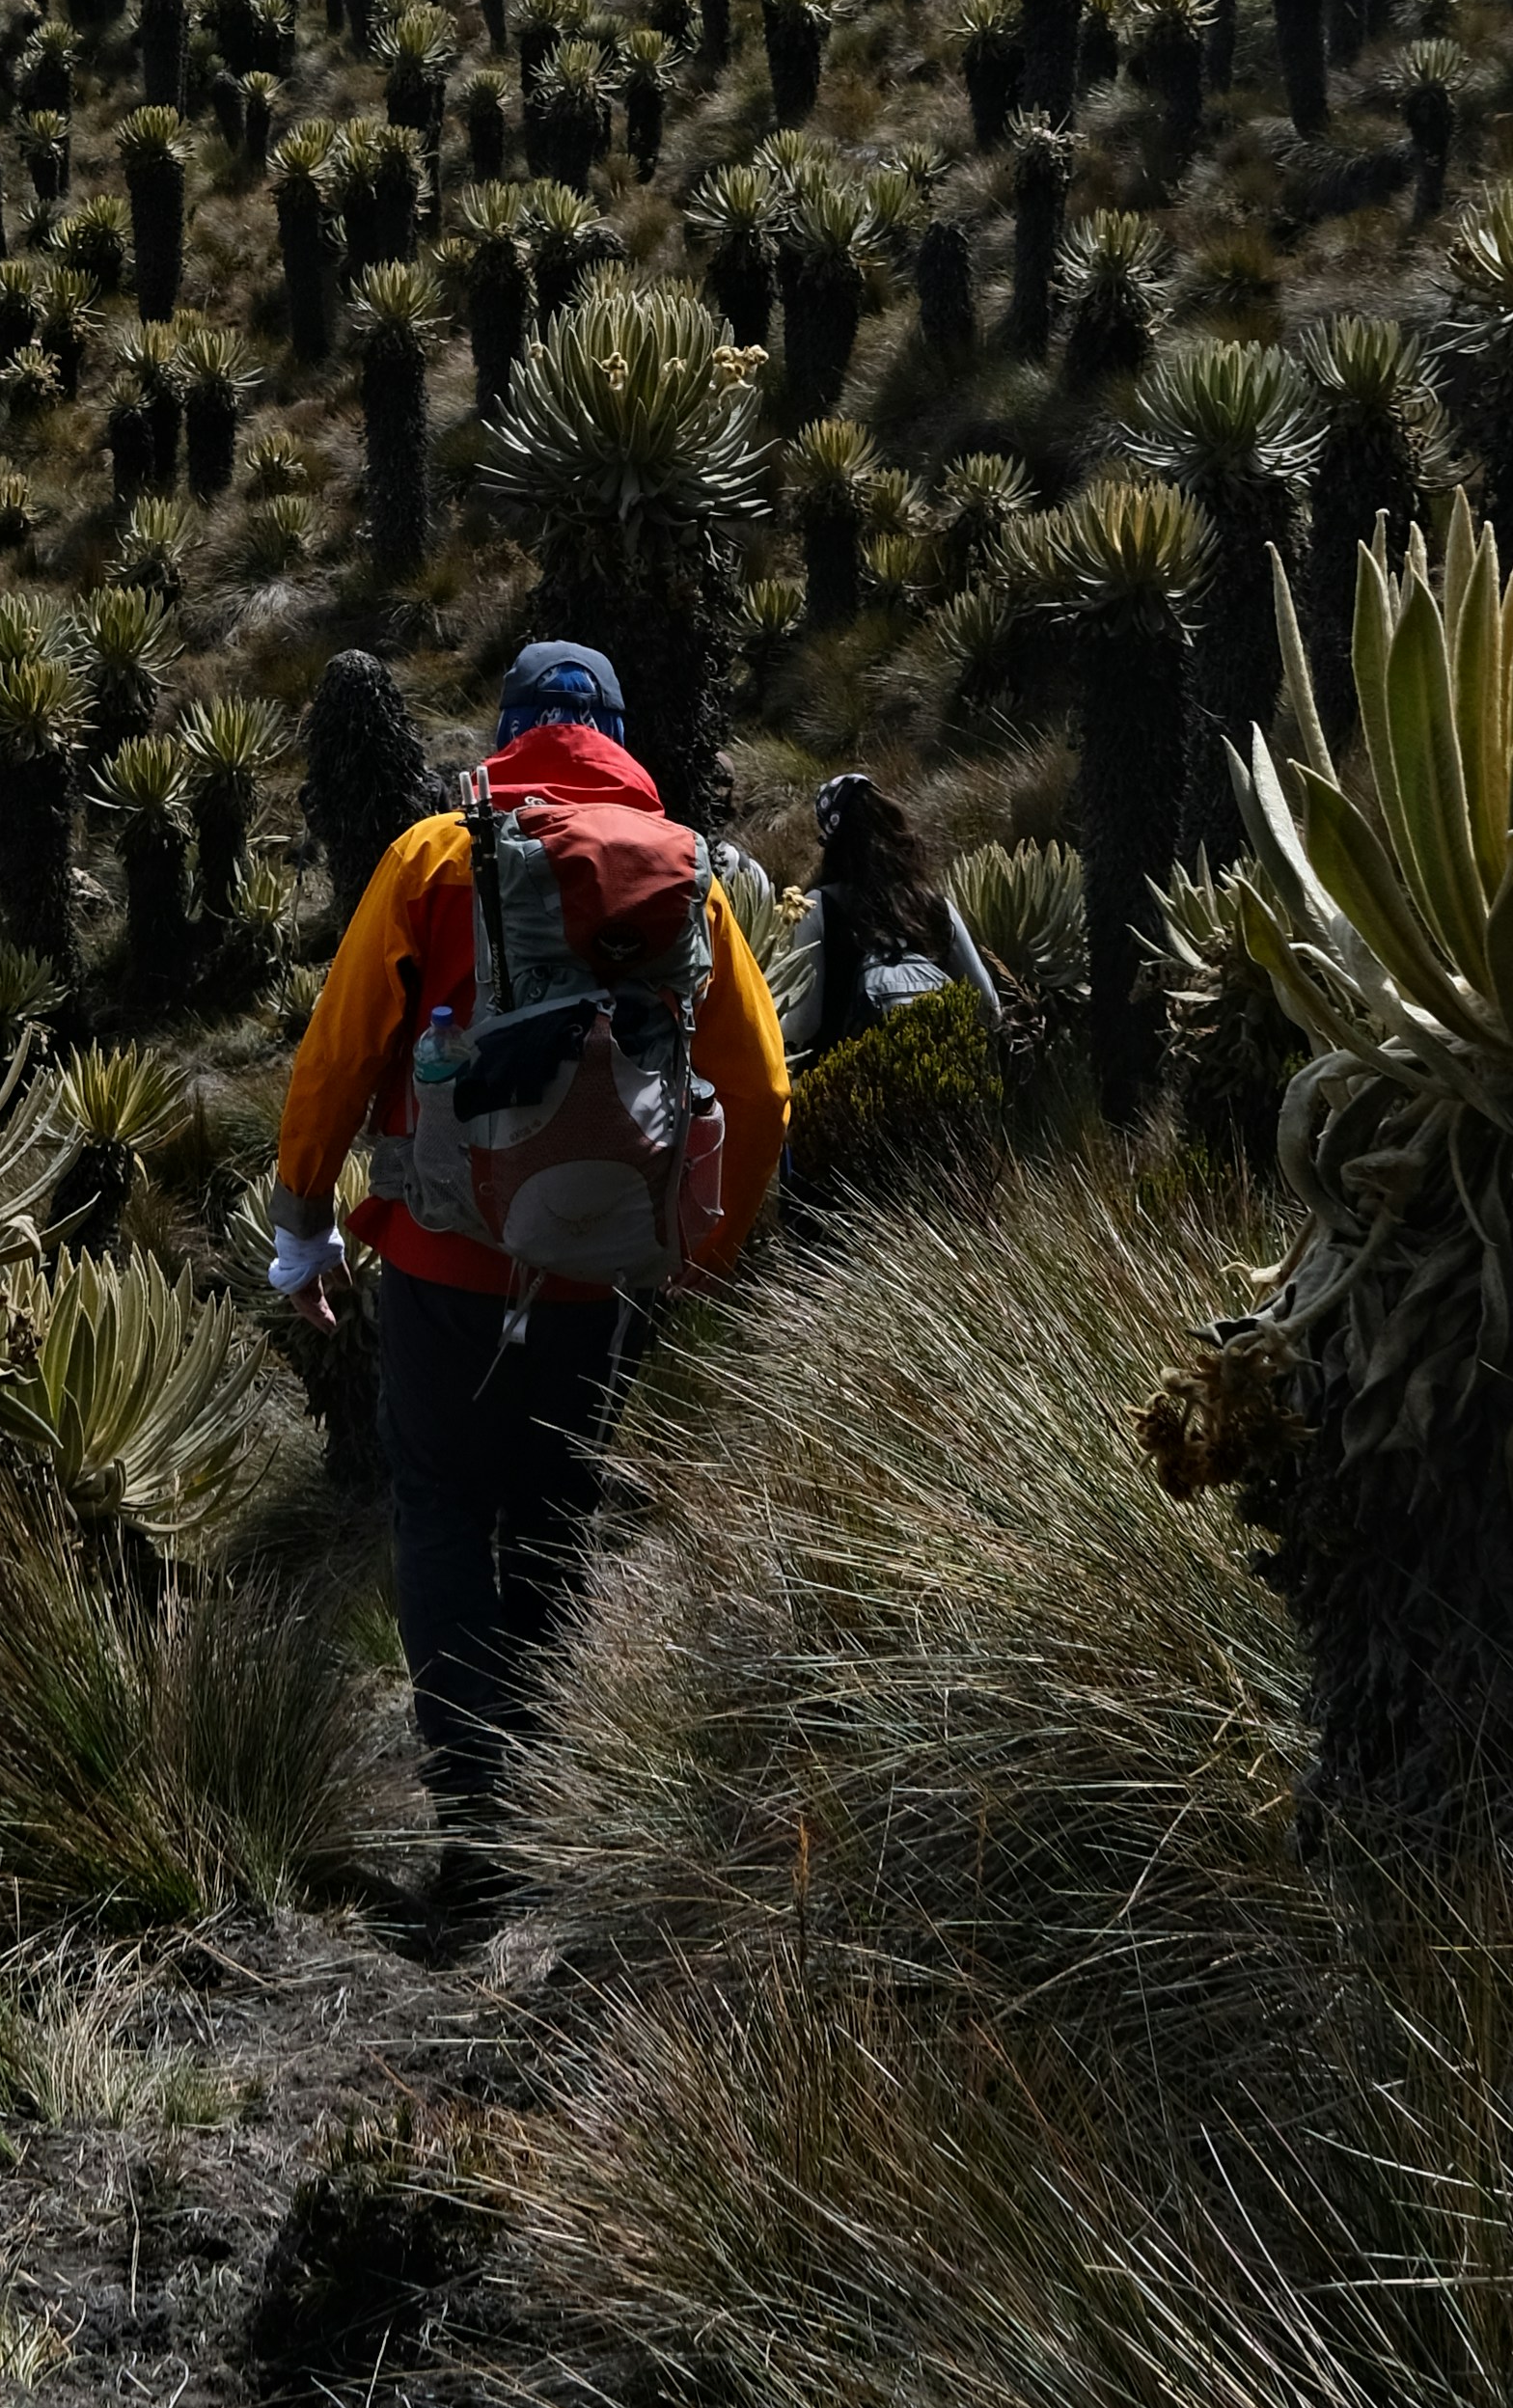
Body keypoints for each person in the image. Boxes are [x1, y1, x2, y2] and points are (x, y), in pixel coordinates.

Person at [270, 641, 788, 1844]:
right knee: (555, 1510)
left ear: (508, 732)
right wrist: (696, 1255)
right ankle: (548, 1779)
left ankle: (473, 1812)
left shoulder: (434, 856)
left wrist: (302, 1226)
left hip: (439, 1260)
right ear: (612, 737)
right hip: (595, 1274)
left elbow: (338, 1057)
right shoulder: (688, 879)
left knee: (445, 1509)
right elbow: (758, 1087)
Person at [787, 768, 1004, 1062]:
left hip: (847, 1088)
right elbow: (989, 1009)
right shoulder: (936, 906)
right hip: (941, 1083)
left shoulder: (818, 906)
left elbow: (802, 1025)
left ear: (831, 842)